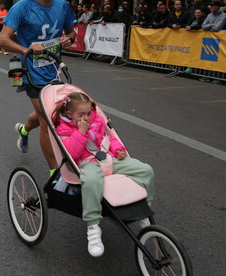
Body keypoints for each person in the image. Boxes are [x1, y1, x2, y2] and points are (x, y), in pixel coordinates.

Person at [53, 92, 154, 257]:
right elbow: (72, 153)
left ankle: (144, 210)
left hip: (109, 157)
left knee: (146, 170)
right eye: (81, 114)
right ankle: (93, 227)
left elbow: (107, 138)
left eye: (88, 113)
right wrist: (81, 132)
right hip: (87, 162)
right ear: (70, 114)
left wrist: (117, 149)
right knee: (92, 182)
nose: (86, 117)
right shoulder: (63, 128)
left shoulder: (96, 120)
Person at [0, 0, 76, 174]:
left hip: (55, 70)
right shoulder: (21, 8)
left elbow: (72, 32)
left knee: (44, 113)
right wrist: (27, 49)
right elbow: (3, 39)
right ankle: (55, 174)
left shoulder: (63, 6)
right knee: (48, 120)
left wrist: (68, 39)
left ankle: (23, 130)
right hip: (31, 71)